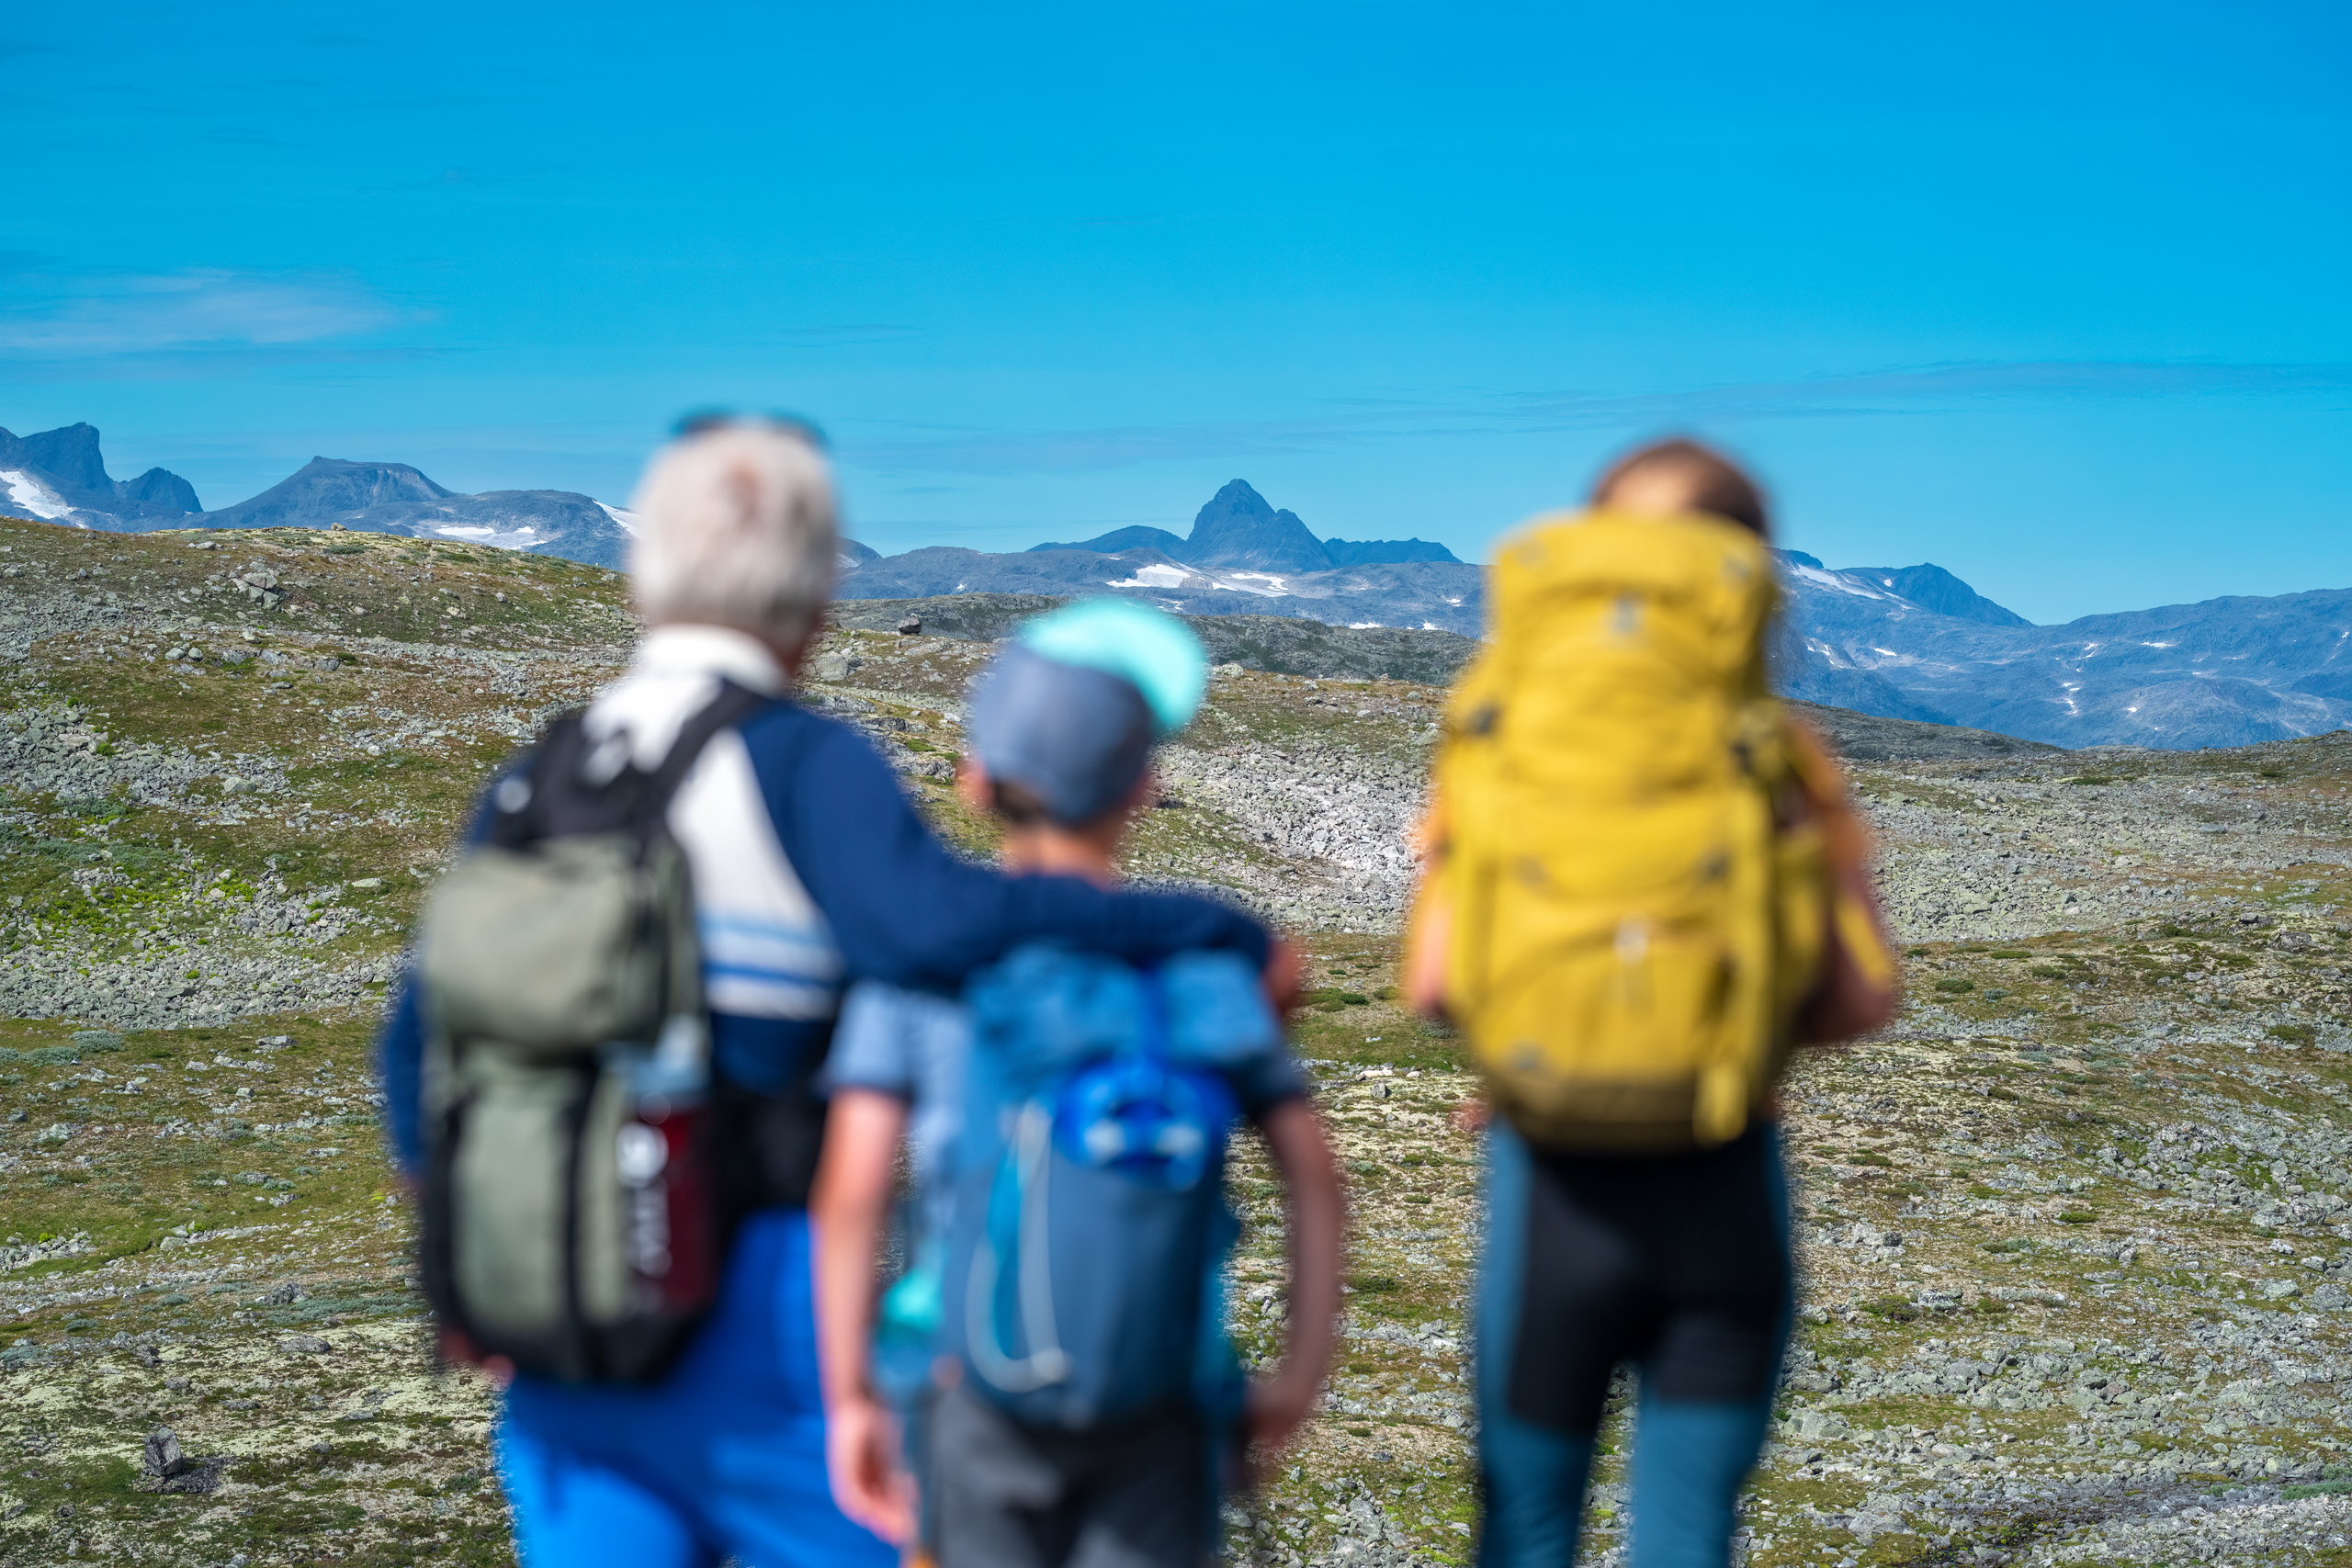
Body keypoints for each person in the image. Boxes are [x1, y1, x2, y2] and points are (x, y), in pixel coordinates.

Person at [375, 423, 1293, 1568]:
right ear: (817, 597)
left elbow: (416, 1040)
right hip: (759, 1314)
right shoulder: (800, 760)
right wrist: (1203, 923)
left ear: (644, 575)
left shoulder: (547, 770)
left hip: (567, 1325)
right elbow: (939, 929)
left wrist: (477, 1275)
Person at [1403, 438, 1897, 1568]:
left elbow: (1433, 983)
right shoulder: (1779, 757)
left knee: (1524, 1531)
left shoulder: (1491, 741)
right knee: (1684, 1536)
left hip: (1550, 1196)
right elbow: (1863, 995)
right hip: (1725, 1183)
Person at [810, 599, 1344, 1568]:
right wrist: (1298, 1373)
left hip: (962, 1393)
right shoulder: (1202, 975)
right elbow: (1314, 1178)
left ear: (975, 782)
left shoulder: (927, 971)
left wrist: (851, 1396)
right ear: (1139, 789)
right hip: (1160, 1396)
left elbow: (851, 1196)